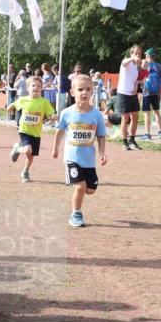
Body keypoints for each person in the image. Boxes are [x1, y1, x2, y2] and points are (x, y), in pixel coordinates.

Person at [53, 75, 107, 228]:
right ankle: (76, 214)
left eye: (88, 89)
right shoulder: (67, 113)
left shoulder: (97, 115)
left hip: (88, 160)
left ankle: (80, 193)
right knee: (80, 186)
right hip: (72, 158)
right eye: (80, 89)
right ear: (72, 92)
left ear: (92, 92)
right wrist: (56, 148)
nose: (84, 92)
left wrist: (102, 152)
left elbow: (101, 135)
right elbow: (59, 131)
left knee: (90, 190)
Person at [7, 76, 56, 183]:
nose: (36, 87)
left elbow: (50, 113)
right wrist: (9, 108)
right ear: (28, 88)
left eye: (39, 86)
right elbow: (13, 105)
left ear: (41, 88)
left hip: (36, 133)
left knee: (30, 156)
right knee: (27, 150)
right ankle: (17, 149)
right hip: (24, 130)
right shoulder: (23, 99)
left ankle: (25, 171)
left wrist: (54, 117)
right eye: (33, 85)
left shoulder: (44, 102)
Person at [114, 46, 144, 150]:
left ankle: (132, 140)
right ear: (131, 54)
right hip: (123, 93)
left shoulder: (137, 66)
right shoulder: (127, 62)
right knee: (125, 118)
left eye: (139, 54)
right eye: (136, 53)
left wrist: (137, 85)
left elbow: (134, 80)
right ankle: (124, 142)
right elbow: (124, 63)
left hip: (132, 94)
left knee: (135, 117)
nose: (138, 55)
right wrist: (133, 58)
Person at [140, 48, 161, 139]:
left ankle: (147, 134)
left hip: (146, 91)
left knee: (147, 113)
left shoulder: (145, 64)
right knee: (156, 112)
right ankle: (160, 132)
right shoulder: (158, 66)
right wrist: (160, 92)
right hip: (155, 92)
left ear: (147, 56)